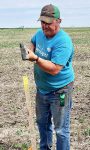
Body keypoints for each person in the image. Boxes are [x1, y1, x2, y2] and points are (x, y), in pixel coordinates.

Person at [26, 4, 75, 150]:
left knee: (61, 129)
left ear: (58, 21)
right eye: (42, 22)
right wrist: (29, 50)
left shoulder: (63, 42)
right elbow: (32, 42)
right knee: (42, 124)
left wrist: (35, 59)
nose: (44, 26)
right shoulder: (39, 33)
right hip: (42, 89)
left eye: (48, 22)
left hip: (60, 91)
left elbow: (54, 69)